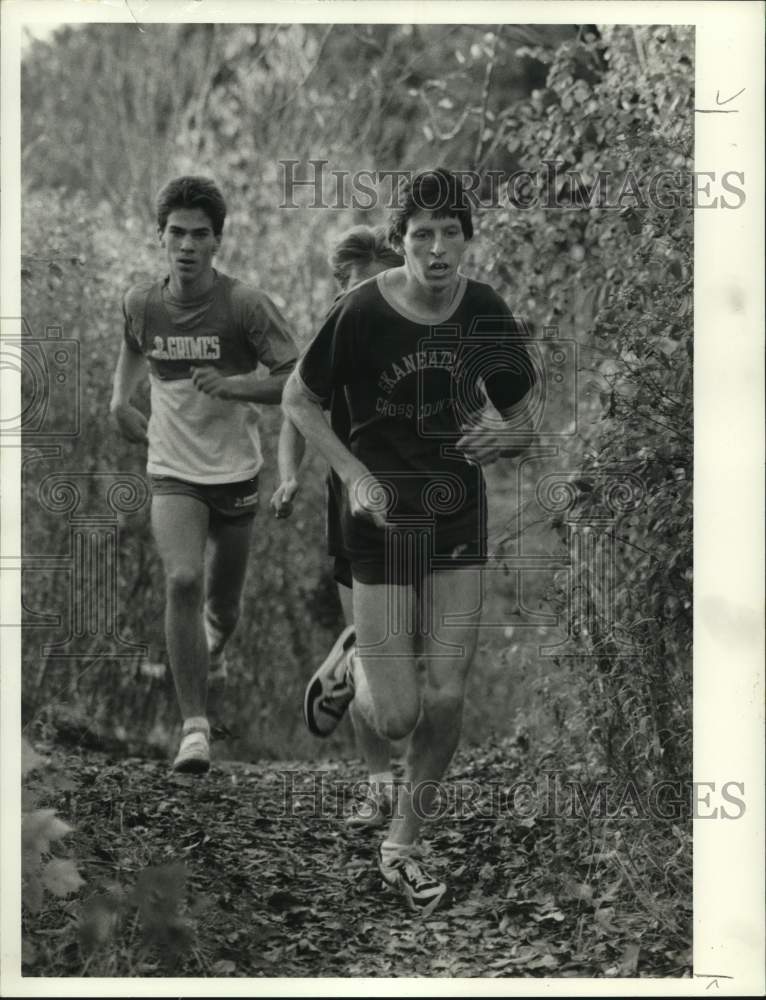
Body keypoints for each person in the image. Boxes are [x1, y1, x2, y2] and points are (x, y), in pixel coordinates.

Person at [282, 168, 537, 916]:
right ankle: (359, 657)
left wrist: (505, 436)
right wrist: (354, 475)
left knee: (448, 696)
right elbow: (300, 399)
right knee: (394, 716)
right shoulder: (360, 311)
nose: (435, 249)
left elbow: (522, 420)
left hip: (457, 517)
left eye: (449, 233)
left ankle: (403, 848)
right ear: (401, 243)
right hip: (383, 522)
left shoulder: (486, 312)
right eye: (420, 235)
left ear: (466, 240)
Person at [110, 176, 298, 774]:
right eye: (176, 233)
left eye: (199, 235)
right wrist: (121, 398)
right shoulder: (142, 302)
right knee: (183, 580)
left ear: (217, 241)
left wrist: (237, 384)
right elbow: (133, 344)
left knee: (223, 608)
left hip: (236, 473)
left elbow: (298, 383)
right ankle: (195, 728)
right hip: (172, 469)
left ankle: (213, 644)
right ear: (160, 237)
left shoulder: (246, 306)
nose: (186, 245)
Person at [270, 226, 404, 829]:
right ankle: (379, 786)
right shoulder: (332, 332)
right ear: (339, 286)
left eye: (378, 283)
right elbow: (296, 408)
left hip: (418, 492)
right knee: (366, 639)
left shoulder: (414, 327)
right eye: (355, 286)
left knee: (413, 634)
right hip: (351, 496)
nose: (364, 297)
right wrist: (288, 477)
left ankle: (353, 658)